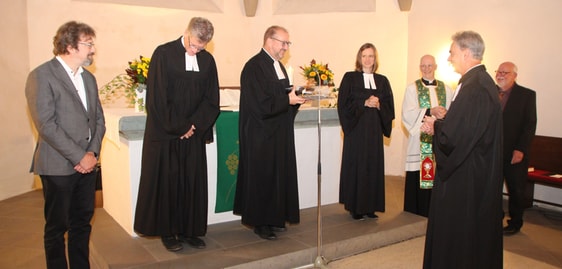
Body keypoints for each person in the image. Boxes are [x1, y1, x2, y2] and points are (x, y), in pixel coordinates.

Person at [134, 17, 219, 252]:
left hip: (193, 135)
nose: (196, 51)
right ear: (187, 33)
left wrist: (194, 126)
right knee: (169, 184)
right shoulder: (163, 54)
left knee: (191, 183)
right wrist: (180, 127)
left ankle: (190, 230)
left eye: (201, 48)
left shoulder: (208, 61)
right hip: (167, 135)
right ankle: (168, 232)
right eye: (194, 46)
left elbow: (211, 100)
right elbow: (157, 99)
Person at [25, 21, 105, 269]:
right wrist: (78, 156)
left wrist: (91, 153)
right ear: (69, 46)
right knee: (57, 227)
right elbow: (47, 125)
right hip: (58, 166)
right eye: (88, 44)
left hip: (87, 164)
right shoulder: (41, 75)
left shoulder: (89, 79)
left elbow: (98, 120)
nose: (92, 49)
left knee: (82, 223)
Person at [421, 31, 503, 269]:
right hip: (475, 169)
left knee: (461, 231)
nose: (449, 58)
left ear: (467, 53)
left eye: (452, 52)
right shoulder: (478, 82)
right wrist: (444, 124)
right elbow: (467, 127)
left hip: (466, 175)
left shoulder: (474, 86)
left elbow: (455, 138)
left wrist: (436, 127)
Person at [233, 25, 306, 240]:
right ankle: (261, 223)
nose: (286, 47)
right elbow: (259, 104)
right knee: (263, 177)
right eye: (283, 43)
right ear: (269, 41)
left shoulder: (279, 66)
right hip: (260, 135)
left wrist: (296, 98)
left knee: (277, 176)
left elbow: (281, 96)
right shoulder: (253, 67)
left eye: (287, 43)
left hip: (278, 133)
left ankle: (275, 218)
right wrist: (287, 100)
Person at [337, 43, 395, 220]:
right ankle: (356, 207)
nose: (368, 59)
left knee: (372, 166)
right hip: (356, 130)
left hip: (374, 131)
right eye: (364, 56)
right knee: (358, 166)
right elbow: (343, 103)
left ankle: (371, 207)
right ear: (359, 58)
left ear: (375, 59)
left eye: (371, 56)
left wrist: (379, 105)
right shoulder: (350, 78)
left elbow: (389, 106)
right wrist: (363, 103)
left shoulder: (383, 80)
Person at [402, 55, 453, 217]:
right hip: (420, 139)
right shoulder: (412, 88)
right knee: (420, 171)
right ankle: (416, 208)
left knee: (437, 171)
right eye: (423, 66)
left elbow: (453, 113)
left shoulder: (446, 89)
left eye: (429, 65)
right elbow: (407, 114)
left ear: (435, 66)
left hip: (439, 138)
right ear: (420, 67)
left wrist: (442, 116)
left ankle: (436, 209)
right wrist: (430, 111)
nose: (426, 68)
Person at [495, 61, 537, 236]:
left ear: (515, 75)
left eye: (506, 72)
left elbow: (530, 125)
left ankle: (515, 222)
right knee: (492, 188)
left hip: (514, 153)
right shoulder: (491, 93)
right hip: (493, 152)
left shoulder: (526, 95)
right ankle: (495, 218)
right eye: (499, 72)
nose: (501, 75)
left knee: (516, 189)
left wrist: (520, 149)